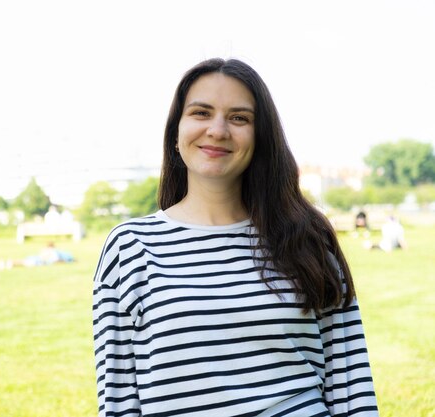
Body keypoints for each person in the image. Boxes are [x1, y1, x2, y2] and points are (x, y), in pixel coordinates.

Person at [92, 58, 378, 416]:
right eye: (200, 112)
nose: (217, 130)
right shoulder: (130, 247)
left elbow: (351, 383)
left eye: (239, 117)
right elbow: (119, 400)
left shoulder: (306, 237)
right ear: (175, 134)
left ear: (260, 138)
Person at [0, 242, 74, 269]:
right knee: (25, 262)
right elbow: (55, 260)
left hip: (37, 260)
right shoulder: (54, 252)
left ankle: (10, 262)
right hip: (38, 260)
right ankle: (10, 263)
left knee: (24, 262)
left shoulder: (49, 251)